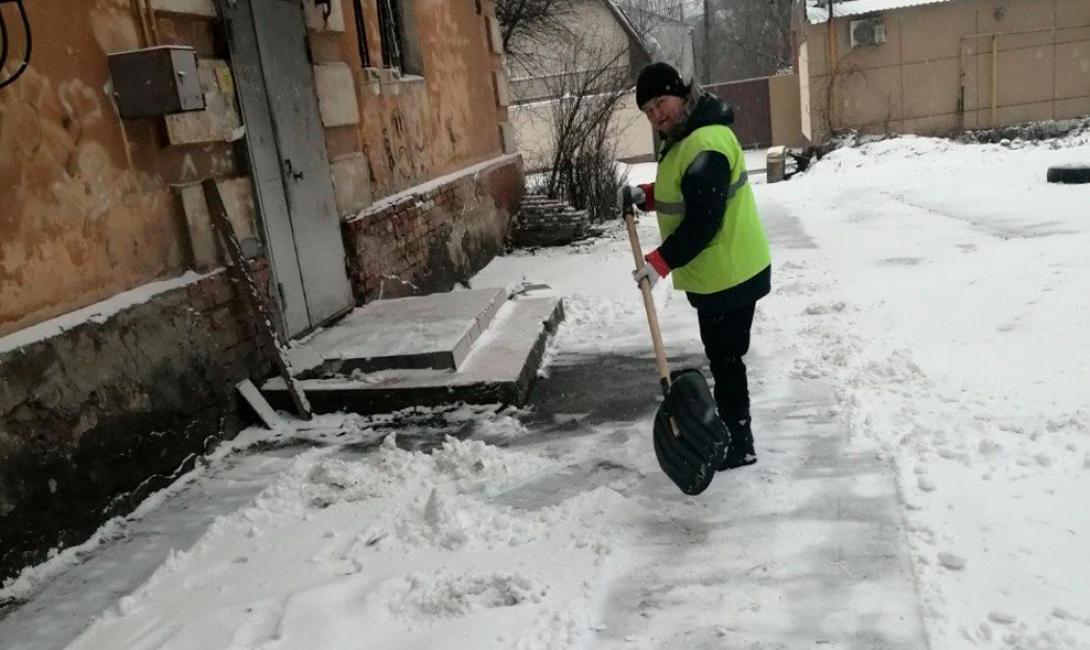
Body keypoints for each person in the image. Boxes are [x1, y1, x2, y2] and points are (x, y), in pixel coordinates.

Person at [619, 62, 771, 470]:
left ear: (681, 93)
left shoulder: (706, 141)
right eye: (648, 110)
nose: (656, 115)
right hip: (717, 272)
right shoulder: (685, 136)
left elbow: (704, 219)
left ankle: (740, 444)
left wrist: (660, 262)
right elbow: (684, 191)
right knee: (722, 356)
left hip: (732, 271)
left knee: (726, 360)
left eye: (660, 102)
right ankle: (732, 430)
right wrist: (646, 195)